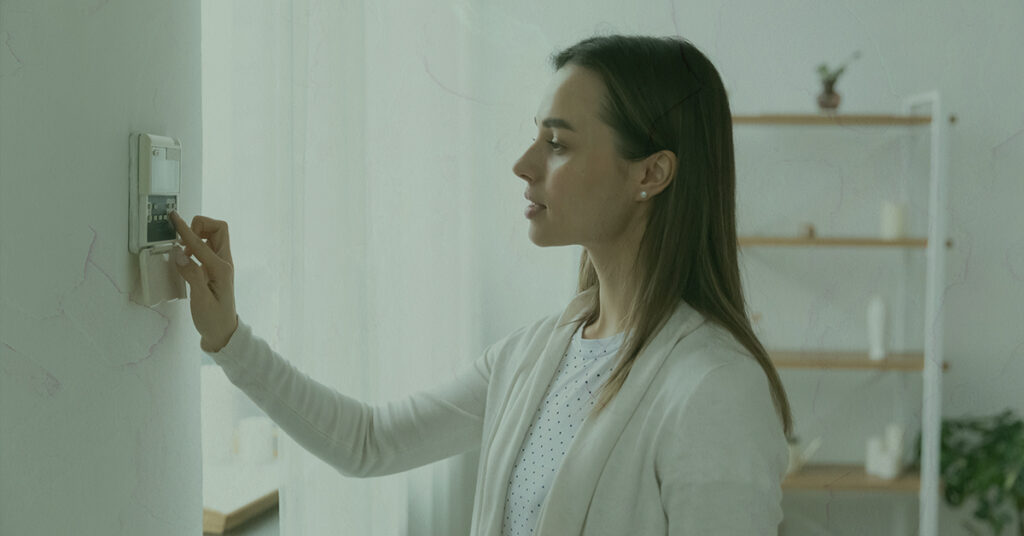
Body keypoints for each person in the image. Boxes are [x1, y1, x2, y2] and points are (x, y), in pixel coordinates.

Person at [169, 34, 794, 536]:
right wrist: (228, 336)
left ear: (651, 173)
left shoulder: (715, 388)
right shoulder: (533, 356)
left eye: (557, 143)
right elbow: (368, 442)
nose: (523, 164)